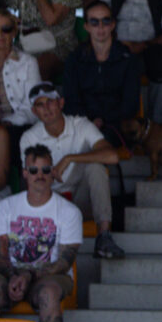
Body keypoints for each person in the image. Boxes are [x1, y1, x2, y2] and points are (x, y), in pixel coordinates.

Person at [0, 149, 85, 322]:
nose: (40, 175)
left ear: (53, 172)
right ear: (25, 173)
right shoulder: (5, 207)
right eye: (33, 170)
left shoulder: (69, 212)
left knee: (49, 292)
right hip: (10, 274)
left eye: (46, 169)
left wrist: (27, 276)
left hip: (50, 276)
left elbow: (65, 261)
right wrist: (16, 275)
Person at [23, 83, 125, 259]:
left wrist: (70, 158)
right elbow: (31, 180)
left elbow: (112, 156)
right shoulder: (29, 137)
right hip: (51, 205)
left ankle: (104, 237)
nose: (46, 108)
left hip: (82, 199)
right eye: (40, 104)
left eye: (50, 102)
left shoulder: (81, 125)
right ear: (34, 111)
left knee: (96, 167)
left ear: (61, 103)